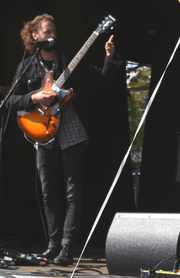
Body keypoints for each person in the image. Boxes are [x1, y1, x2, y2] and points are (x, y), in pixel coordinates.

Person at [8, 14, 122, 265]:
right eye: (47, 32)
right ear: (35, 35)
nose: (52, 36)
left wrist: (109, 58)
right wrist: (35, 98)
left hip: (71, 131)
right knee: (49, 194)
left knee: (72, 193)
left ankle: (67, 248)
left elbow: (103, 81)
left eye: (55, 32)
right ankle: (52, 245)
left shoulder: (69, 62)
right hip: (43, 132)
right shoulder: (27, 66)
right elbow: (11, 101)